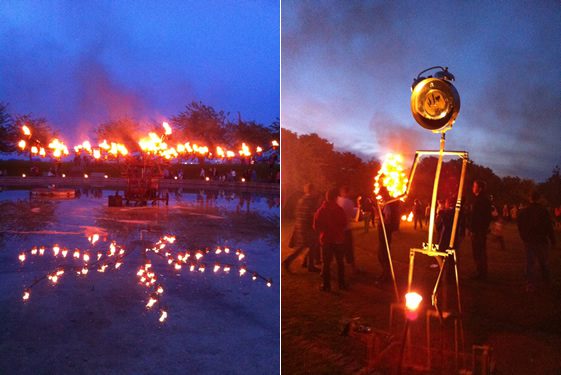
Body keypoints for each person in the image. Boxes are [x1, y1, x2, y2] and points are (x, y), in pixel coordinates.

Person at [517, 191, 556, 292]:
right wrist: (553, 240)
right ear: (539, 199)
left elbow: (520, 226)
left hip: (529, 240)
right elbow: (549, 227)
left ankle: (530, 284)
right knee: (543, 262)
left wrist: (523, 237)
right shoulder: (544, 211)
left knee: (530, 262)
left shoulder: (524, 211)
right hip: (541, 240)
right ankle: (547, 281)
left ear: (530, 198)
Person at [314, 188, 348, 291]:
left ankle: (326, 285)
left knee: (326, 263)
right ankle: (341, 284)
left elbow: (316, 226)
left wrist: (323, 231)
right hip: (338, 240)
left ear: (327, 197)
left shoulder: (321, 210)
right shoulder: (339, 210)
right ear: (335, 198)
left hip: (326, 240)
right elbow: (344, 224)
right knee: (340, 263)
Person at [283, 183, 321, 273]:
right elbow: (310, 214)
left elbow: (298, 213)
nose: (316, 192)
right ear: (311, 190)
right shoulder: (309, 201)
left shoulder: (302, 200)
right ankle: (287, 261)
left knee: (311, 245)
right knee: (303, 246)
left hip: (301, 226)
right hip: (306, 227)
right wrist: (316, 214)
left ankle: (309, 265)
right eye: (315, 190)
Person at [469, 179, 493, 280]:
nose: (473, 188)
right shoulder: (481, 199)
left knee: (479, 251)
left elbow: (480, 217)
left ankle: (481, 273)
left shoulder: (481, 200)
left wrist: (474, 229)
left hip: (478, 231)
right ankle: (481, 271)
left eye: (474, 186)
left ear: (480, 188)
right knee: (479, 251)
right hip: (479, 230)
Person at [376, 187, 399, 284]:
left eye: (380, 193)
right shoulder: (386, 203)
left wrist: (380, 220)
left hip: (385, 231)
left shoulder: (387, 204)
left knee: (383, 254)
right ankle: (385, 273)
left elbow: (388, 219)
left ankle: (386, 276)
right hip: (384, 230)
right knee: (381, 254)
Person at [337, 186, 357, 273]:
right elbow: (353, 215)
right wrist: (358, 206)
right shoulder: (349, 202)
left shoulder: (337, 200)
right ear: (346, 192)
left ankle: (339, 267)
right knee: (349, 249)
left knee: (339, 248)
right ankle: (353, 268)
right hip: (346, 229)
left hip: (337, 229)